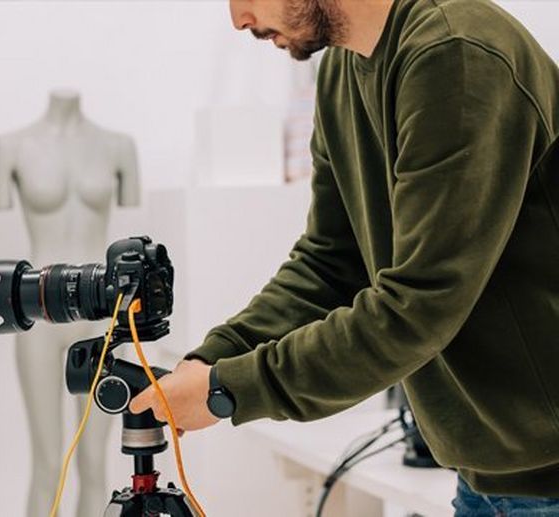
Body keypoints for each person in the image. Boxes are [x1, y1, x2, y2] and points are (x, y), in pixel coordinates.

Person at [129, 0, 559, 514]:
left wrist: (229, 390)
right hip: (489, 473)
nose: (238, 19)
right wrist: (213, 357)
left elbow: (419, 306)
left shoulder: (455, 53)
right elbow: (330, 262)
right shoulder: (343, 68)